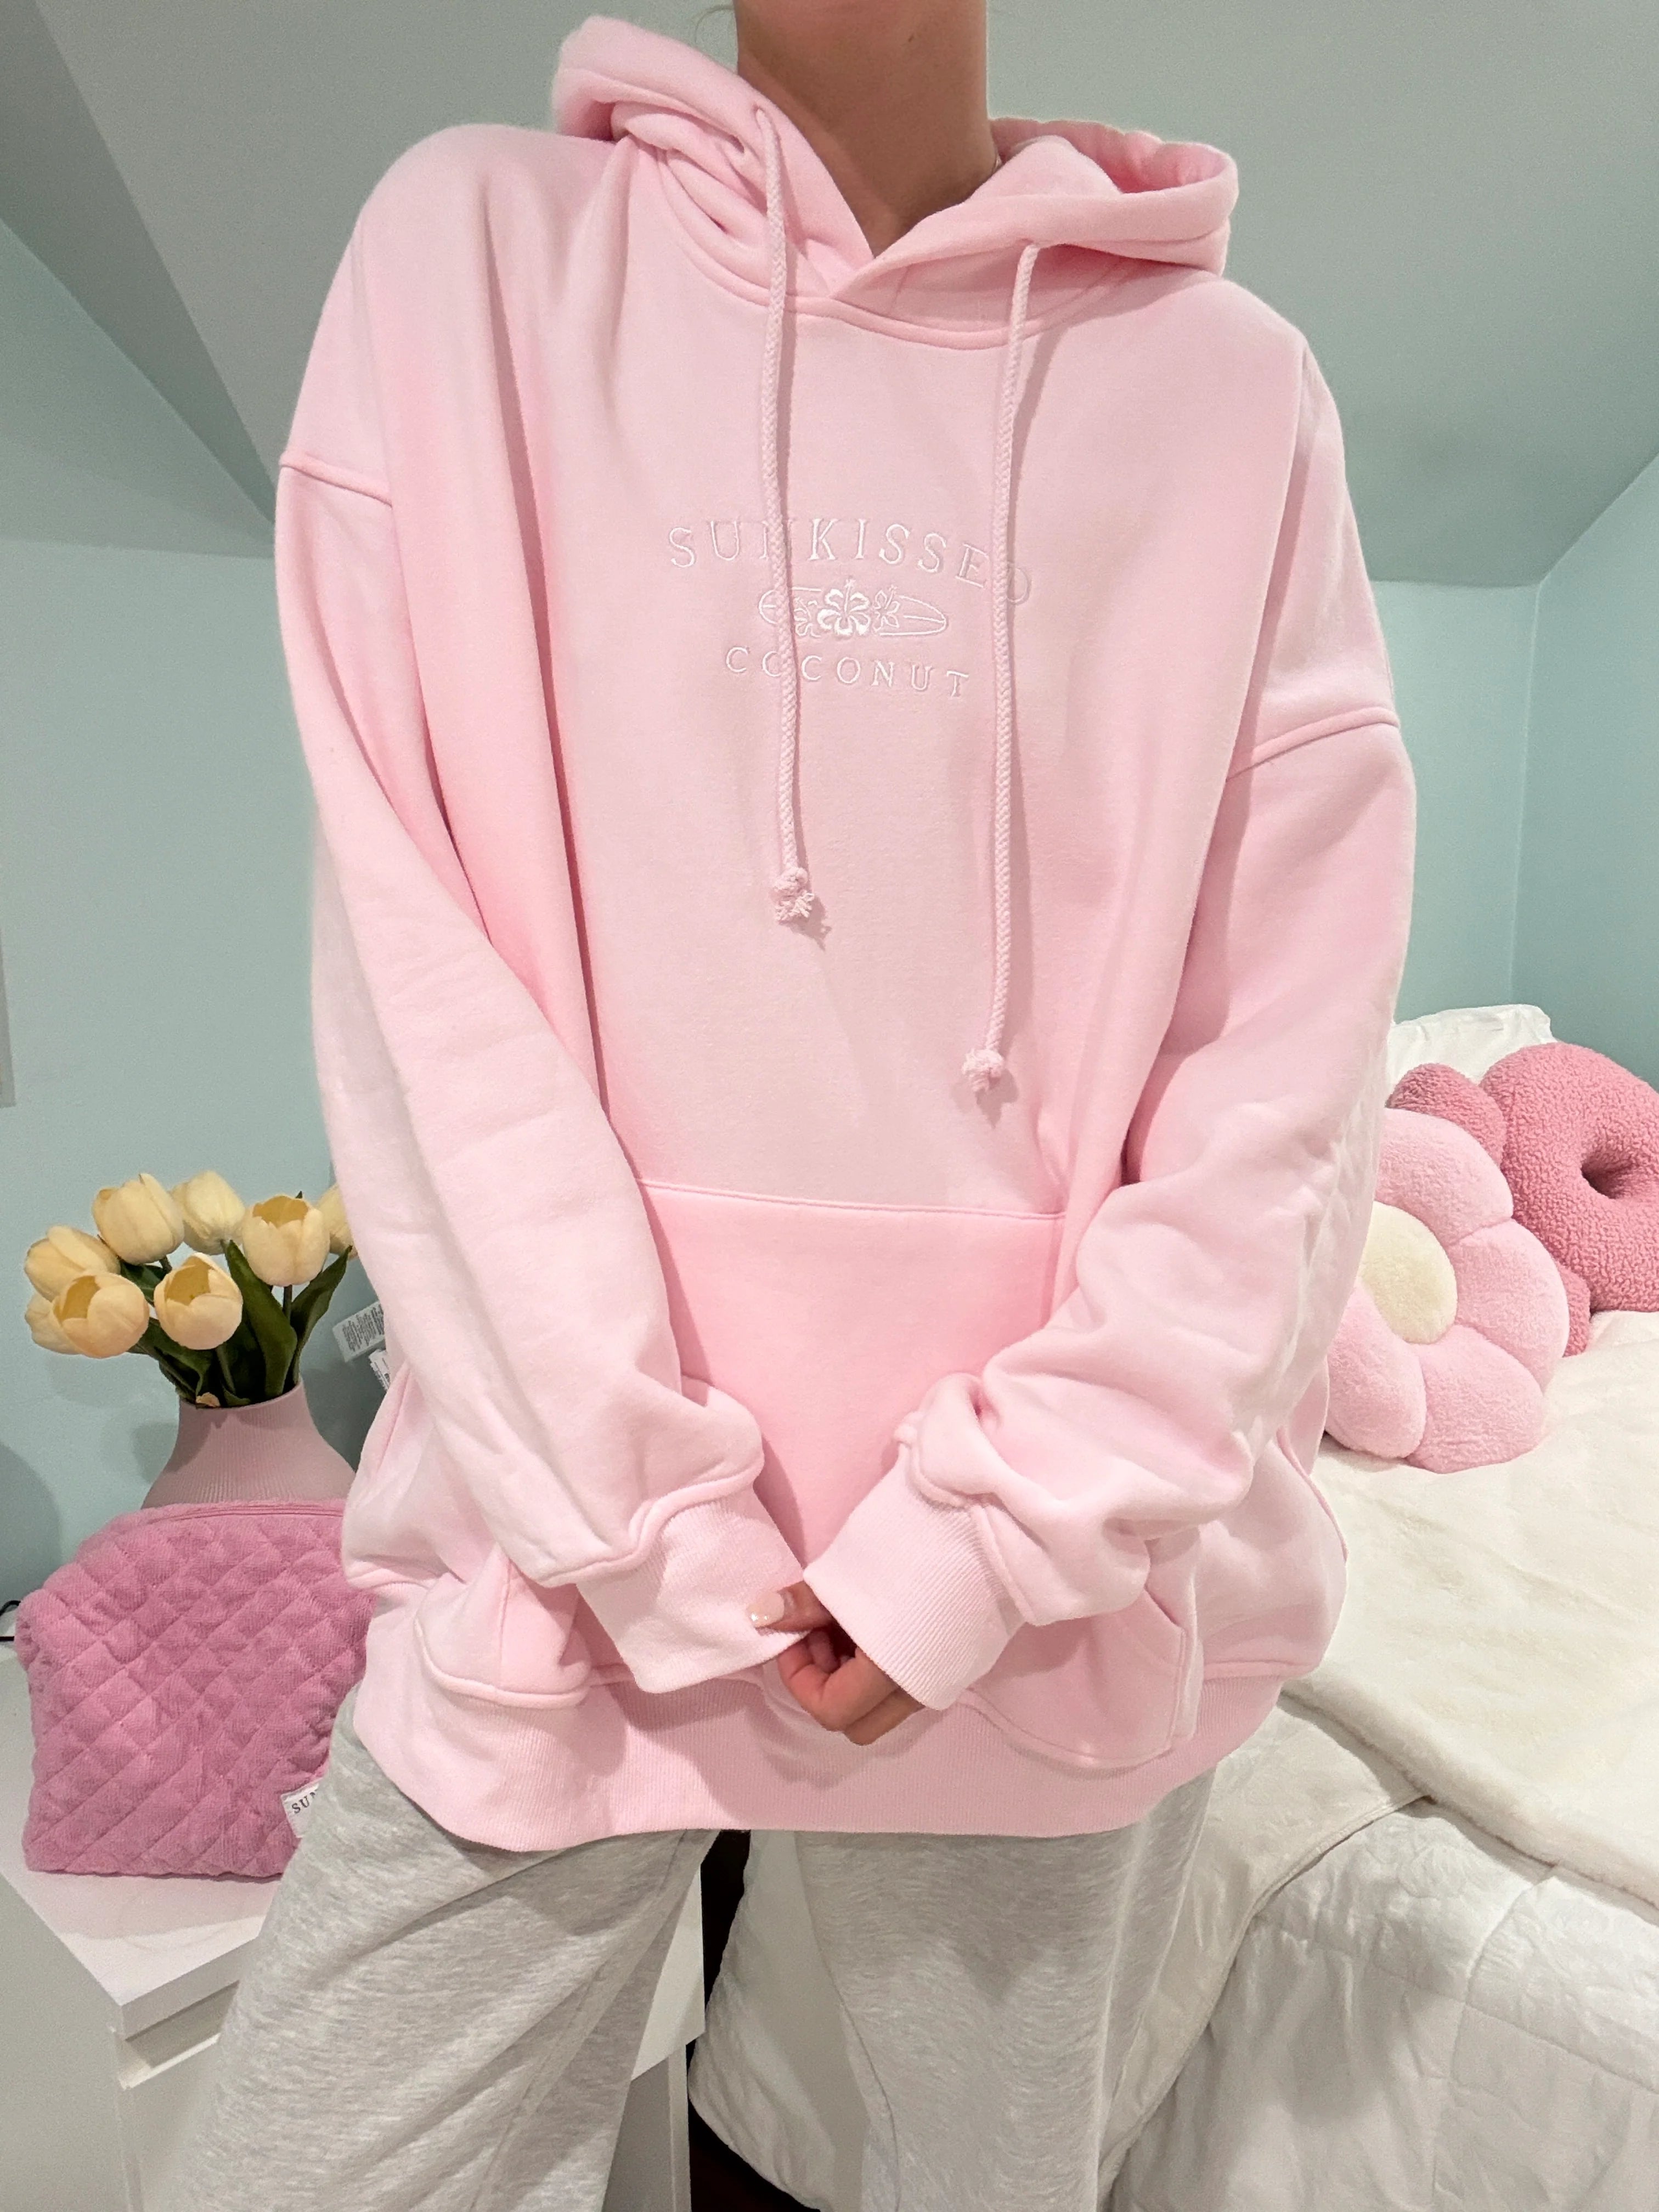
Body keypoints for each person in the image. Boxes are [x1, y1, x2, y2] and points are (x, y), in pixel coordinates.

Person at [171, 3, 1416, 2207]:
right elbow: (418, 985)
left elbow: (1285, 1076)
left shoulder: (1236, 395)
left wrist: (1003, 1534)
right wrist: (644, 1518)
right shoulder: (476, 258)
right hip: (570, 1557)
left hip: (1048, 1594)